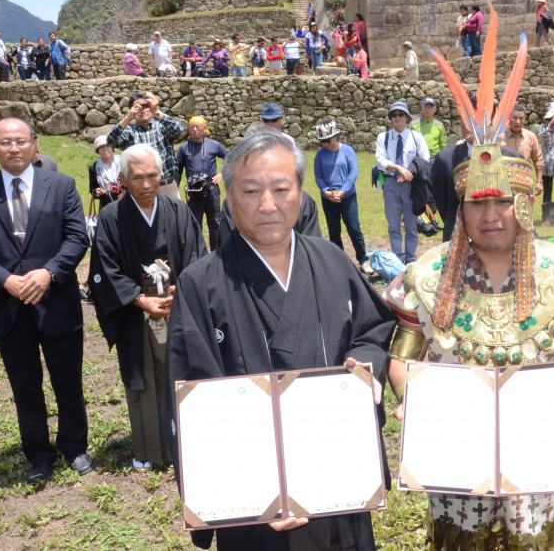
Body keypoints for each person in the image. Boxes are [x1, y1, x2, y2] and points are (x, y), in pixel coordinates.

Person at [384, 103, 554, 550]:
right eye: (477, 202)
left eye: (502, 202)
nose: (490, 215)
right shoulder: (425, 275)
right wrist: (411, 396)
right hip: (452, 458)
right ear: (461, 208)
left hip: (537, 457)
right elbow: (401, 357)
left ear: (525, 204)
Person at [164, 129, 395, 551]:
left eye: (281, 189)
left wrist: (366, 364)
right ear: (229, 199)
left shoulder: (330, 258)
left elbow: (372, 329)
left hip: (338, 479)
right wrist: (252, 494)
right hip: (255, 506)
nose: (267, 205)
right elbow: (194, 403)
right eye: (250, 190)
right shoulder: (201, 283)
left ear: (302, 195)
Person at [0, 118, 92, 484]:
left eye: (20, 141)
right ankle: (38, 454)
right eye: (5, 142)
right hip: (7, 307)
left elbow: (77, 237)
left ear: (34, 143)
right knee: (24, 386)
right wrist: (5, 280)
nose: (14, 148)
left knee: (68, 381)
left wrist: (48, 272)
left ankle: (74, 446)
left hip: (56, 301)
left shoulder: (61, 185)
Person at [89, 144, 206, 472]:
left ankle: (186, 445)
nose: (146, 184)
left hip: (177, 306)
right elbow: (104, 269)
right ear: (123, 179)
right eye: (137, 177)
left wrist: (181, 288)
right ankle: (150, 450)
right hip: (134, 311)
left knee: (183, 373)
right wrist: (140, 299)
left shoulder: (178, 210)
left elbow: (198, 254)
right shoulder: (111, 217)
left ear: (161, 175)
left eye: (152, 175)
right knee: (142, 380)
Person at [313, 118, 373, 274]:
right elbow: (318, 175)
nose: (325, 143)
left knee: (354, 228)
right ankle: (338, 261)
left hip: (347, 197)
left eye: (328, 139)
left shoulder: (347, 150)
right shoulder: (320, 154)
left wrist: (343, 191)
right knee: (334, 230)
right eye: (322, 141)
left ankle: (363, 260)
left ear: (336, 136)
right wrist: (326, 191)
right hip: (328, 198)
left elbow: (353, 173)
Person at [375, 101, 430, 263]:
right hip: (391, 183)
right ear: (390, 118)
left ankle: (411, 258)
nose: (397, 117)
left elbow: (425, 159)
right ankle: (398, 258)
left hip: (411, 186)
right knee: (393, 225)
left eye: (401, 114)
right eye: (394, 114)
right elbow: (380, 160)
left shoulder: (416, 137)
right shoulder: (383, 137)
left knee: (411, 225)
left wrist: (409, 172)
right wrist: (399, 168)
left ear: (407, 117)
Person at [106, 92, 187, 200]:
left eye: (146, 106)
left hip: (166, 185)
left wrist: (156, 112)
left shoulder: (161, 127)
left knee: (174, 216)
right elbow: (110, 141)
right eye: (138, 107)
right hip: (140, 188)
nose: (143, 109)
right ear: (131, 109)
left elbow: (179, 130)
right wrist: (128, 118)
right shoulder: (129, 132)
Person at [176, 116, 228, 251]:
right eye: (191, 127)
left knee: (215, 222)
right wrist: (176, 189)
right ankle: (198, 253)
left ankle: (217, 252)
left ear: (205, 129)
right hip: (194, 190)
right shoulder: (184, 147)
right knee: (194, 223)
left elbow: (230, 157)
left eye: (197, 127)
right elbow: (178, 169)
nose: (194, 130)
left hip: (211, 188)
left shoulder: (214, 145)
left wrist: (222, 174)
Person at [504, 103, 545, 193]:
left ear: (525, 119)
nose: (517, 121)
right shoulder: (499, 138)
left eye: (521, 118)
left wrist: (539, 181)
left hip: (525, 181)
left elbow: (538, 159)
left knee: (525, 206)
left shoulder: (531, 136)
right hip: (504, 183)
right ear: (508, 118)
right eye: (514, 118)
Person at [89, 135, 122, 212]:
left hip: (125, 201)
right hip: (106, 205)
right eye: (101, 147)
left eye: (107, 146)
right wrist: (97, 191)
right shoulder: (94, 168)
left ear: (112, 148)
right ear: (98, 151)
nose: (105, 149)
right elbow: (92, 187)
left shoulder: (123, 162)